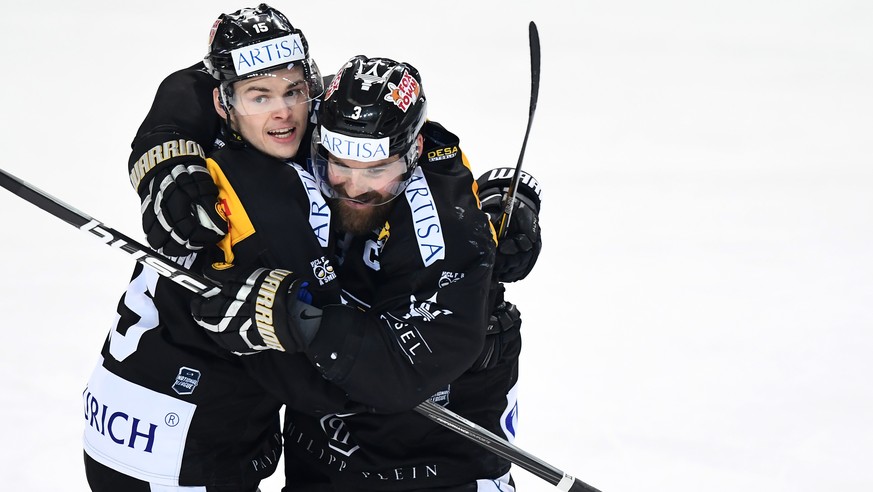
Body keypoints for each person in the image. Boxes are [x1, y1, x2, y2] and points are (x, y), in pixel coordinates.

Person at [191, 55, 542, 491]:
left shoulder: (444, 231)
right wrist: (161, 150)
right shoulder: (301, 123)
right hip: (318, 456)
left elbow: (401, 371)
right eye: (338, 165)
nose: (354, 187)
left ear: (413, 151)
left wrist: (295, 322)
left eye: (376, 170)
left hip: (432, 466)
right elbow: (218, 83)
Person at [82, 5, 347, 491]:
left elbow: (190, 87)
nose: (283, 110)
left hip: (129, 419)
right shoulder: (254, 198)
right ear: (223, 103)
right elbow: (317, 375)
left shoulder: (222, 147)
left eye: (293, 90)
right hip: (180, 449)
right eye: (259, 95)